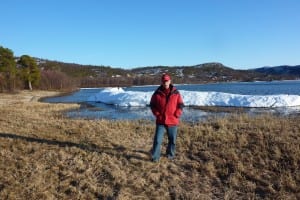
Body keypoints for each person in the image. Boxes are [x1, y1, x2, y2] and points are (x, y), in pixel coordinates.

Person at [150, 74, 184, 162]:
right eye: (164, 81)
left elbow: (180, 104)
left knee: (172, 140)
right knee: (157, 140)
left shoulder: (176, 92)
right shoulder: (157, 92)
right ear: (161, 82)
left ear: (170, 81)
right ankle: (155, 157)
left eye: (167, 81)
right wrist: (157, 114)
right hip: (161, 121)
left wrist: (177, 114)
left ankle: (170, 155)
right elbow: (152, 105)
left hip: (173, 120)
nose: (165, 82)